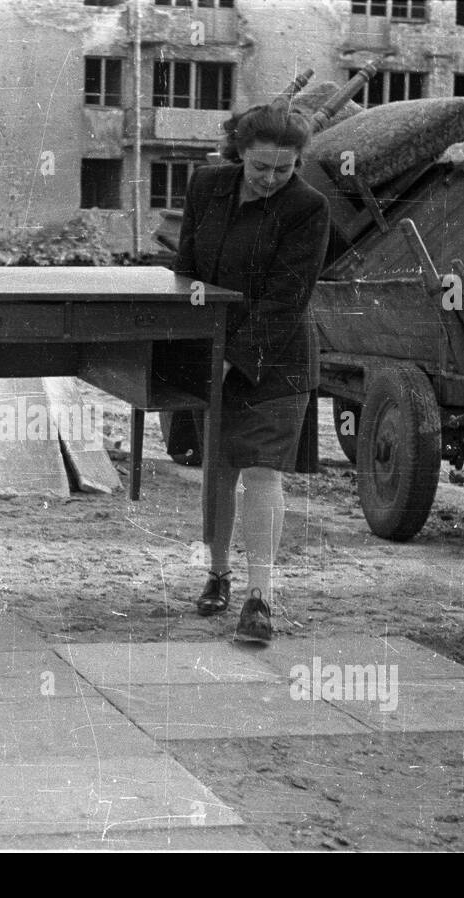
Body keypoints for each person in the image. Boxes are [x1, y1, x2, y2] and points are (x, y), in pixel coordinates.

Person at [172, 101, 331, 641]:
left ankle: (259, 599)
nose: (270, 179)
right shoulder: (206, 187)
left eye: (283, 169)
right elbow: (187, 269)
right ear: (238, 152)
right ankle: (217, 574)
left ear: (298, 164)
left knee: (263, 471)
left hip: (276, 357)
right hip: (209, 345)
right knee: (218, 467)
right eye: (260, 167)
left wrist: (232, 358)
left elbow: (287, 299)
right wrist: (195, 344)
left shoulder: (307, 208)